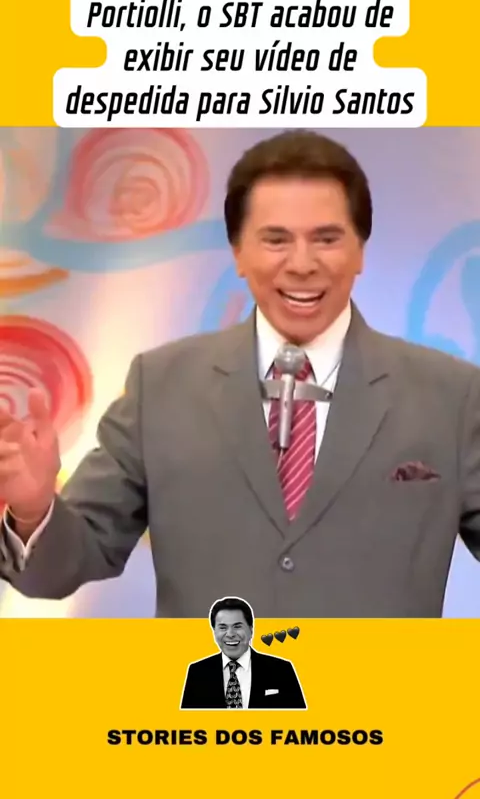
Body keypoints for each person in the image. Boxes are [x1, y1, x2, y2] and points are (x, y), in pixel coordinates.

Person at [1, 129, 480, 618]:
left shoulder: (451, 396)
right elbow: (64, 564)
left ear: (359, 250)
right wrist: (34, 509)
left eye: (326, 239)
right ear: (238, 253)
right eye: (276, 240)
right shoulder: (160, 387)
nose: (302, 264)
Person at [180, 596, 306, 710]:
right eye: (223, 628)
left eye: (237, 626)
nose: (230, 634)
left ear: (251, 630)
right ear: (214, 632)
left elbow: (300, 722)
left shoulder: (282, 670)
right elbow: (185, 724)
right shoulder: (197, 672)